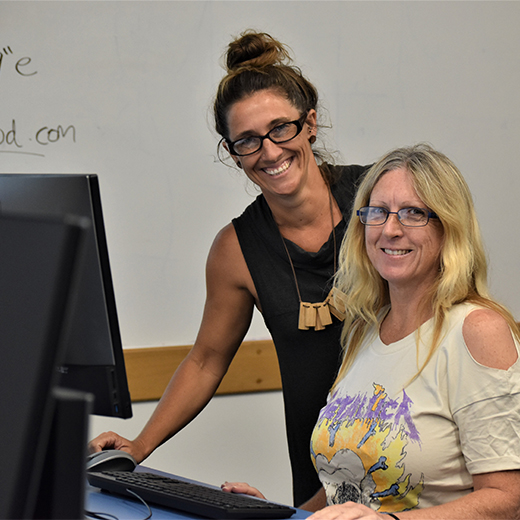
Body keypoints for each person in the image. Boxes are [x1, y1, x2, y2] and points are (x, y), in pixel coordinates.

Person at [89, 30, 369, 506]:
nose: (270, 151)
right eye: (248, 141)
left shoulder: (378, 200)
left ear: (311, 124)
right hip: (321, 470)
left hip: (404, 456)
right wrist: (139, 446)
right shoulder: (234, 249)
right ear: (232, 152)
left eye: (282, 128)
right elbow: (205, 360)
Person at [223, 143, 520, 518]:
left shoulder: (478, 330)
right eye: (377, 212)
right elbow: (351, 496)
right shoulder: (365, 329)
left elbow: (509, 499)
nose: (390, 229)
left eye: (413, 213)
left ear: (448, 228)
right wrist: (280, 514)